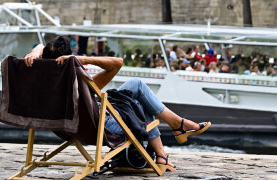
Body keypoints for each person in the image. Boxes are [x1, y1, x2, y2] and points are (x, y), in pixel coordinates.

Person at [24, 36, 211, 170]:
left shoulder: (40, 79)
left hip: (66, 127)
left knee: (135, 85)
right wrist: (81, 59)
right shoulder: (78, 85)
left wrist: (35, 51)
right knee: (138, 101)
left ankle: (168, 143)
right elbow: (117, 63)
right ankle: (177, 127)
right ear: (68, 61)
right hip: (102, 126)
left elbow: (41, 46)